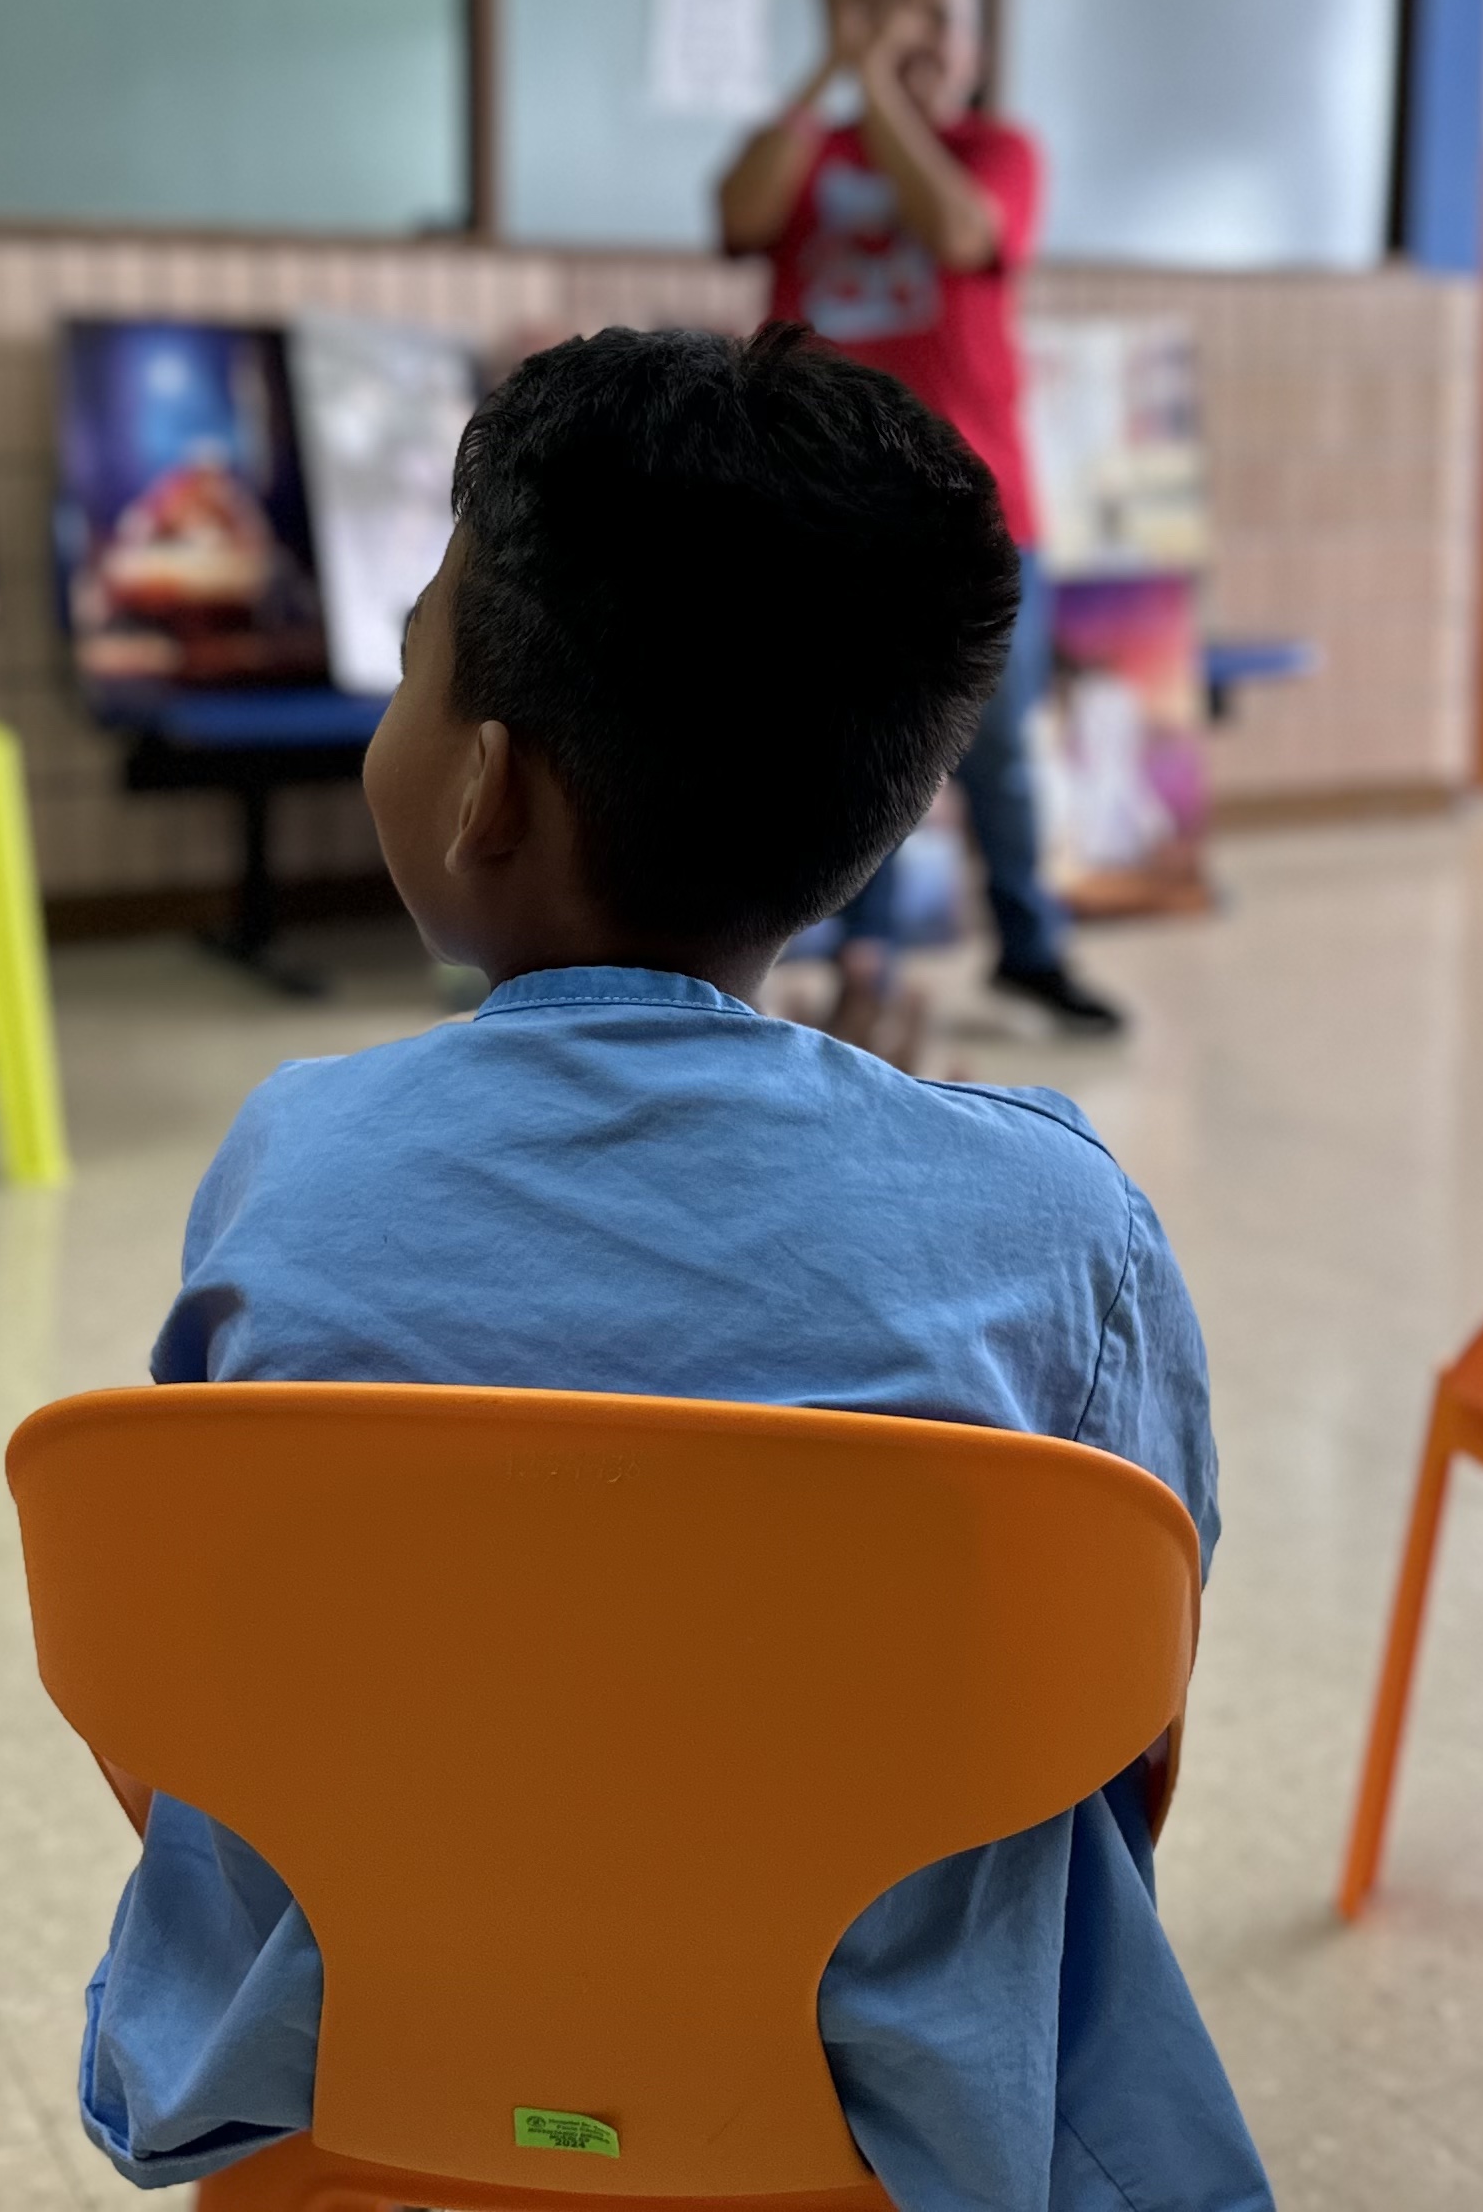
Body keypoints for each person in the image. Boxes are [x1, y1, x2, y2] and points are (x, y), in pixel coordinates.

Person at [75, 322, 1268, 2212]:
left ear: (482, 790)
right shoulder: (1059, 1227)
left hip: (362, 2066)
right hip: (882, 2120)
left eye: (407, 664)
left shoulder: (291, 1163)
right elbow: (1124, 1731)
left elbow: (198, 1702)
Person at [715, 0, 1131, 1040]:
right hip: (821, 498)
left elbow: (956, 232)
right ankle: (865, 959)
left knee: (995, 748)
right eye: (899, 12)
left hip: (977, 502)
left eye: (940, 17)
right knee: (848, 740)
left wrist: (880, 92)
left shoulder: (1000, 150)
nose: (919, 38)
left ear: (976, 45)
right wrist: (831, 76)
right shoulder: (817, 145)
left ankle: (1029, 952)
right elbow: (738, 213)